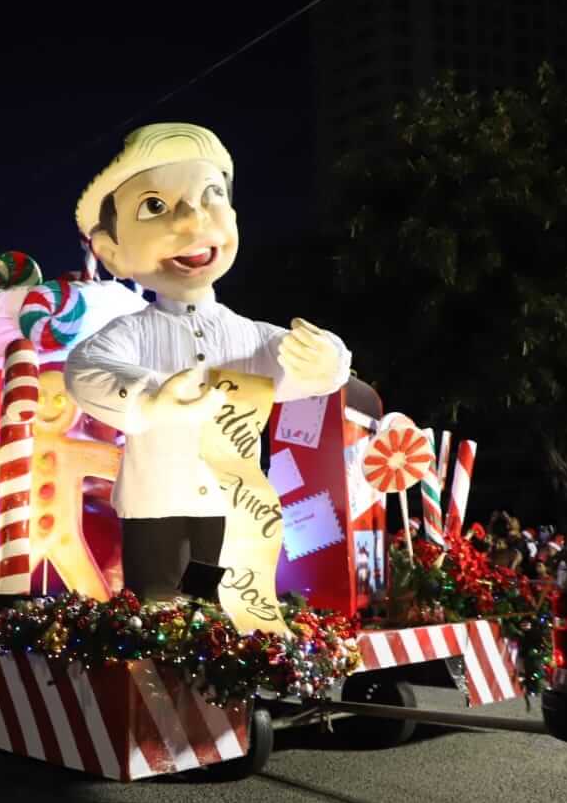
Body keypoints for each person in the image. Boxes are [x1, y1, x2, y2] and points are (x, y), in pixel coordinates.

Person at [65, 123, 352, 600]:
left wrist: (327, 362)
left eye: (210, 195)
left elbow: (307, 367)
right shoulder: (130, 333)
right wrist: (152, 397)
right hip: (155, 506)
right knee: (158, 610)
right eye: (154, 206)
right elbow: (84, 370)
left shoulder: (250, 336)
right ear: (112, 252)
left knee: (224, 614)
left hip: (234, 508)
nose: (191, 219)